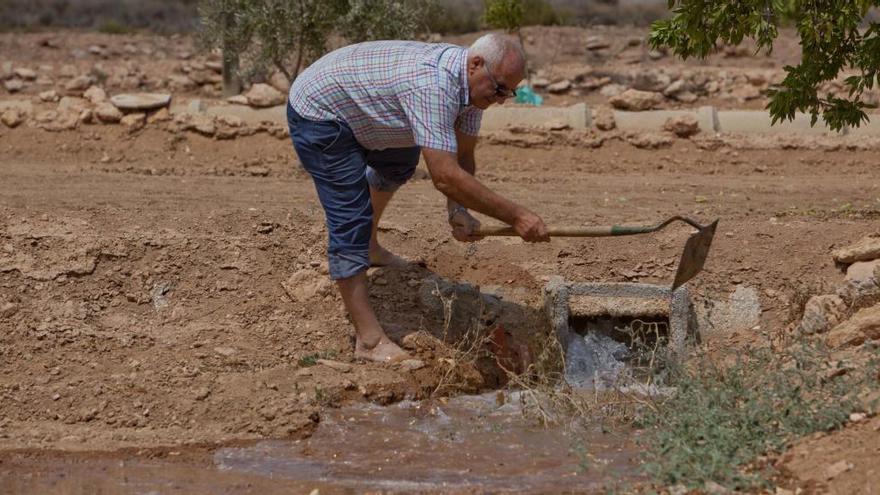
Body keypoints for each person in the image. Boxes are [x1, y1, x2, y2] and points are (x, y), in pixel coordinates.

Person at [287, 33, 549, 363]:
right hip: (321, 113)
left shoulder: (471, 89)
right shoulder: (433, 85)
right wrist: (517, 216)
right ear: (476, 64)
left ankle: (369, 248)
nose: (501, 99)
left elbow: (462, 154)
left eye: (508, 92)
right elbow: (444, 175)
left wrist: (459, 209)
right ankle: (368, 341)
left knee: (398, 162)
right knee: (350, 216)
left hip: (364, 109)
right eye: (499, 89)